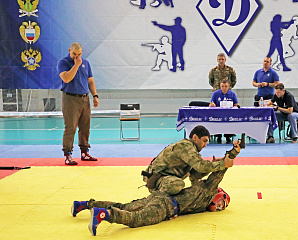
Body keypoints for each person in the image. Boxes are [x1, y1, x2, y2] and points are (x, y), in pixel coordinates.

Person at [71, 139, 242, 236]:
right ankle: (105, 214)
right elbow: (220, 171)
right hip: (165, 206)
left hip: (160, 197)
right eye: (223, 203)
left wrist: (223, 159)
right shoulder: (206, 191)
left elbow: (198, 174)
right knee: (135, 218)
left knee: (125, 206)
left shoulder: (200, 196)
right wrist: (232, 154)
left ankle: (85, 205)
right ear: (218, 195)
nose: (220, 207)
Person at [142, 125, 234, 196]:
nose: (205, 145)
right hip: (158, 180)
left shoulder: (191, 150)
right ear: (195, 137)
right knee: (177, 184)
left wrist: (213, 165)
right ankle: (159, 198)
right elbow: (201, 166)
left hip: (166, 178)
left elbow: (195, 174)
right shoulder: (185, 147)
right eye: (204, 141)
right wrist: (222, 164)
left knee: (183, 181)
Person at [57, 42, 99, 165]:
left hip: (84, 98)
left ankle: (84, 151)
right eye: (74, 54)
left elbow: (90, 80)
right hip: (70, 98)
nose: (77, 56)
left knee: (85, 127)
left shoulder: (85, 63)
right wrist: (76, 65)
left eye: (79, 54)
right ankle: (68, 154)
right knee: (70, 127)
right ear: (69, 50)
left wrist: (95, 95)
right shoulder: (63, 63)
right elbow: (66, 78)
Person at [209, 79, 239, 144]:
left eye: (225, 86)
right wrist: (212, 105)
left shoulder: (232, 94)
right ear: (220, 86)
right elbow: (211, 103)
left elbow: (236, 104)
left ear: (228, 86)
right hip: (217, 114)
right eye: (222, 86)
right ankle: (218, 135)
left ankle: (228, 136)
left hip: (229, 114)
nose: (224, 88)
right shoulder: (216, 93)